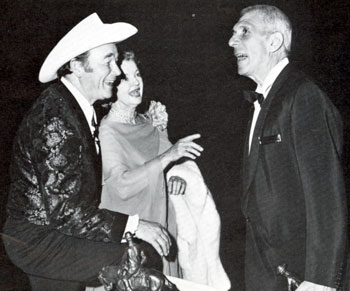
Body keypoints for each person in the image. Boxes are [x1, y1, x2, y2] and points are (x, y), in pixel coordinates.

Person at [2, 13, 171, 291]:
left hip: (56, 232)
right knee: (135, 259)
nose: (117, 71)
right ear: (77, 66)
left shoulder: (73, 108)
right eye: (108, 60)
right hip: (40, 240)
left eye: (115, 60)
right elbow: (65, 210)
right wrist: (135, 225)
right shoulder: (55, 118)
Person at [228, 5, 348, 291]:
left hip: (300, 277)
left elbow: (326, 198)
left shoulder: (302, 95)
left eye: (244, 32)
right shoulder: (264, 101)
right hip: (267, 272)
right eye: (233, 34)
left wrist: (320, 282)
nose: (231, 41)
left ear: (274, 42)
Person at [98, 50, 231, 290]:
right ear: (111, 87)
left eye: (137, 74)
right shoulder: (108, 130)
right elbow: (121, 184)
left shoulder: (148, 122)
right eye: (125, 78)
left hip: (163, 222)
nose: (136, 82)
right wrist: (169, 157)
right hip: (132, 234)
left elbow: (171, 161)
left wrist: (177, 176)